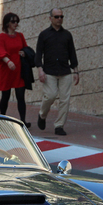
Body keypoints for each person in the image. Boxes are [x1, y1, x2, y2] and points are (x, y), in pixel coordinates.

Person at [35, 8, 79, 136]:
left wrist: (76, 71)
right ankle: (42, 115)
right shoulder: (44, 35)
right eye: (57, 17)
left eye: (61, 17)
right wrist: (40, 70)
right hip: (49, 71)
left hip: (65, 71)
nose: (59, 19)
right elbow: (38, 55)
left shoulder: (67, 35)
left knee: (65, 100)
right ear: (50, 18)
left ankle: (59, 125)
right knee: (50, 95)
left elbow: (72, 53)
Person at [0, 13, 30, 128]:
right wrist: (8, 61)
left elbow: (26, 48)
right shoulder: (1, 37)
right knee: (6, 96)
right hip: (7, 70)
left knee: (21, 95)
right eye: (13, 21)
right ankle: (2, 119)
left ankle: (23, 121)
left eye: (17, 21)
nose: (16, 24)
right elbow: (0, 51)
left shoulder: (20, 36)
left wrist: (24, 53)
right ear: (7, 23)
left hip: (19, 70)